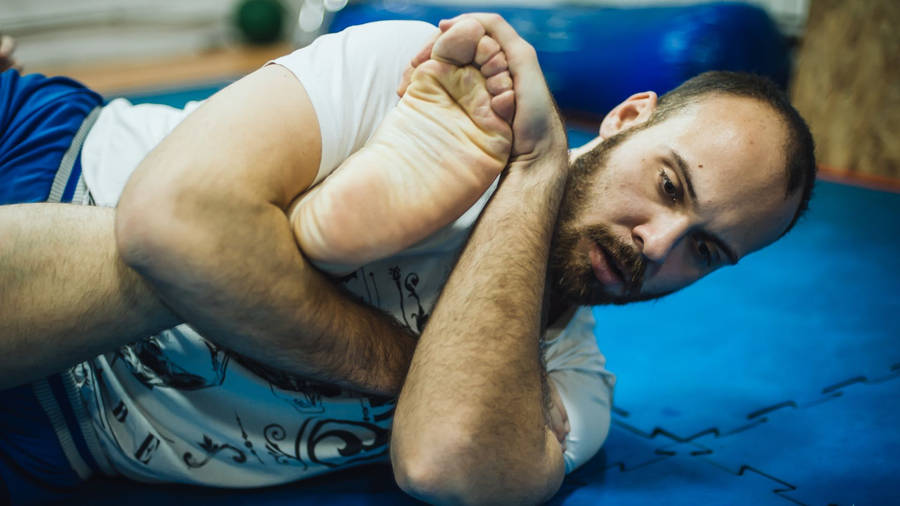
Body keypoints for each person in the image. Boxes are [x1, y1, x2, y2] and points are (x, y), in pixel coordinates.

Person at [0, 13, 815, 505]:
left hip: (52, 441)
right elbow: (166, 225)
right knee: (183, 232)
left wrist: (534, 172)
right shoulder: (434, 85)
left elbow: (444, 465)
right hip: (59, 167)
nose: (659, 246)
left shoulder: (569, 386)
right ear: (628, 117)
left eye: (705, 250)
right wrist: (417, 369)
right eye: (669, 185)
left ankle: (310, 232)